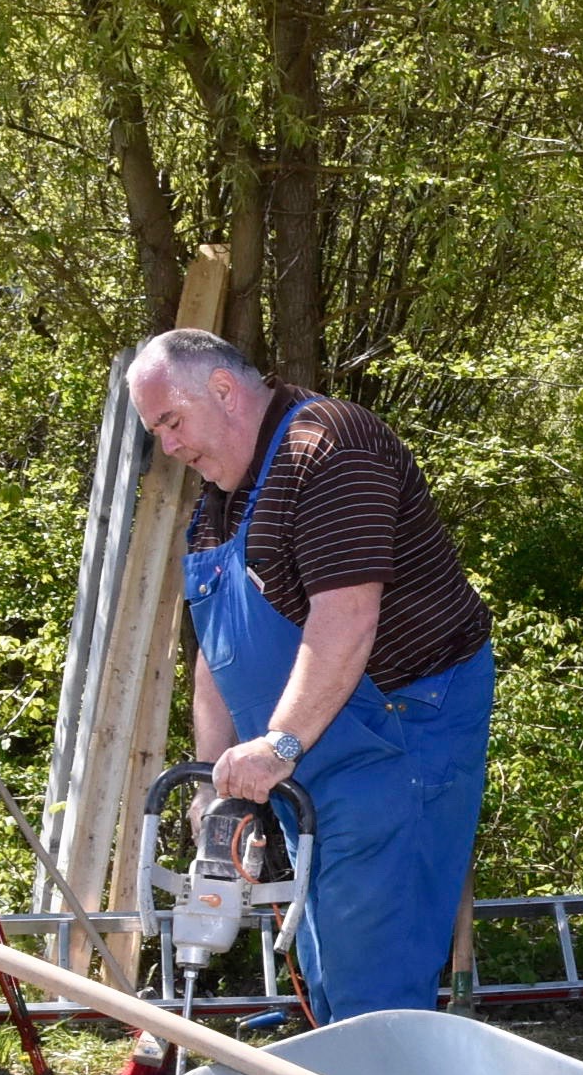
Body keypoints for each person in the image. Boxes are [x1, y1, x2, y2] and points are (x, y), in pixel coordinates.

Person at [126, 330, 495, 1020]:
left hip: (397, 735)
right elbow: (218, 651)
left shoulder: (329, 447)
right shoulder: (218, 502)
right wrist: (213, 784)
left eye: (171, 422)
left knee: (372, 974)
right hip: (307, 751)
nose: (169, 447)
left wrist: (278, 744)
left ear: (223, 390)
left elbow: (346, 619)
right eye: (157, 433)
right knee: (326, 962)